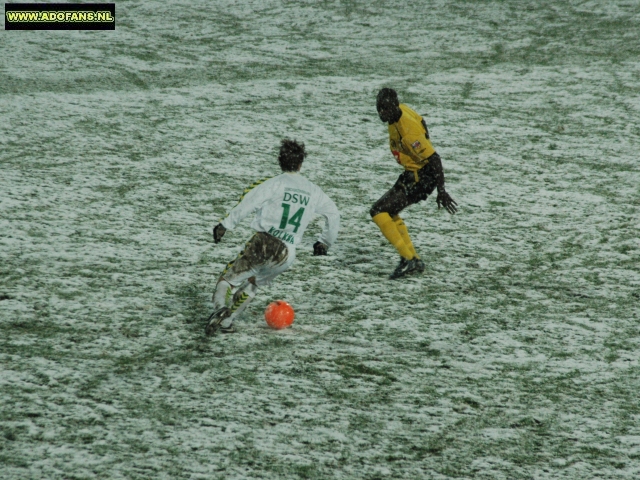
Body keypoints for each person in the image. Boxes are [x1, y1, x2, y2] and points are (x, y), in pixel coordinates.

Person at [206, 139, 340, 335]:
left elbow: (249, 202)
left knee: (228, 280)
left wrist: (226, 224)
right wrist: (325, 242)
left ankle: (219, 308)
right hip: (288, 252)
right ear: (301, 163)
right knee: (254, 283)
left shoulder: (275, 184)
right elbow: (333, 213)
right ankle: (227, 321)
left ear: (280, 161)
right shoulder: (313, 190)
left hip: (265, 242)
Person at [371, 88, 458, 279]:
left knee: (378, 211)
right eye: (379, 109)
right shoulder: (399, 110)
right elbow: (422, 120)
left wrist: (441, 190)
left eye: (385, 109)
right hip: (413, 174)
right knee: (389, 211)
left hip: (422, 178)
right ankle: (412, 259)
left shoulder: (409, 133)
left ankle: (409, 260)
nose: (381, 113)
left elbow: (435, 159)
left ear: (393, 106)